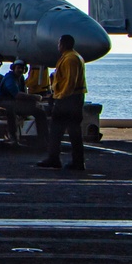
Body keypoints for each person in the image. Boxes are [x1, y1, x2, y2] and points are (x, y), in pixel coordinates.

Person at [38, 35, 87, 170]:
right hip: (73, 98)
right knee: (72, 132)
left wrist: (59, 96)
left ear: (63, 44)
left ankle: (57, 159)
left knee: (58, 130)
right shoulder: (72, 56)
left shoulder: (70, 59)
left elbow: (69, 81)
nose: (58, 45)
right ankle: (74, 160)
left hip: (68, 99)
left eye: (59, 43)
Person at [0, 59, 48, 147]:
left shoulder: (21, 78)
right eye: (18, 68)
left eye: (22, 68)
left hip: (16, 102)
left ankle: (43, 140)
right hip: (4, 102)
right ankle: (13, 137)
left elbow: (24, 93)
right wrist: (34, 97)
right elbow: (17, 94)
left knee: (40, 113)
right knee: (11, 111)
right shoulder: (9, 78)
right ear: (14, 68)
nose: (20, 70)